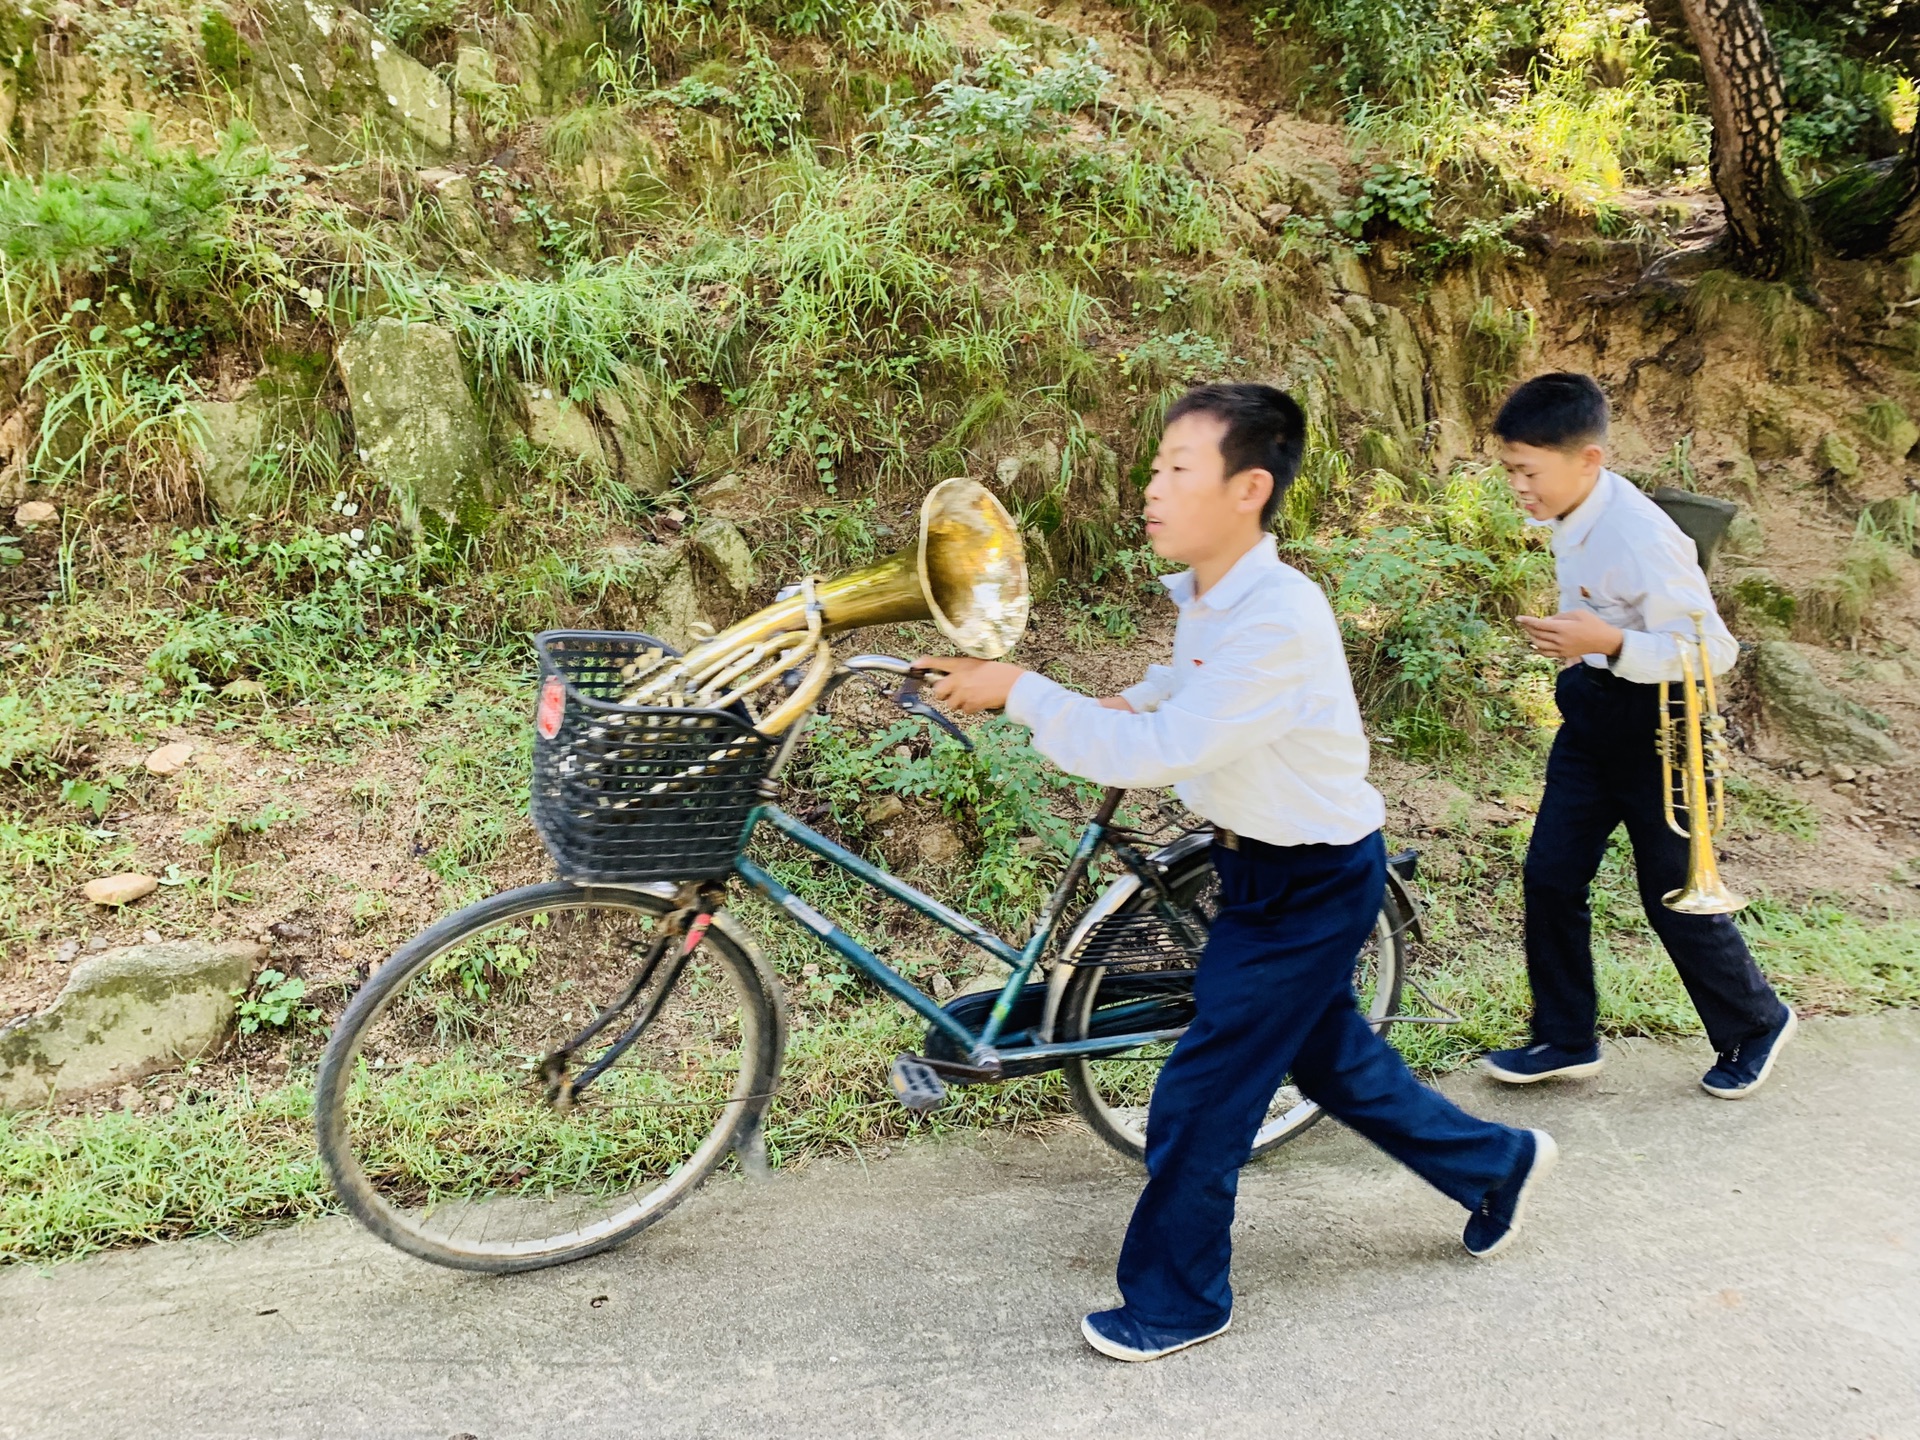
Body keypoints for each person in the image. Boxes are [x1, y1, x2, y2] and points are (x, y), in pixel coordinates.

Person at [919, 382, 1554, 1364]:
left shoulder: (1278, 619)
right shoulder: (1219, 600)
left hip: (1315, 883)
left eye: (1178, 469)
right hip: (1256, 872)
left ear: (1248, 487)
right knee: (1335, 1062)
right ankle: (1495, 1165)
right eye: (1156, 466)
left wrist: (1024, 692)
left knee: (1202, 1097)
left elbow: (1171, 745)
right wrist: (1098, 701)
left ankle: (1179, 1301)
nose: (1152, 488)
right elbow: (1176, 697)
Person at [1482, 372, 1795, 1099]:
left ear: (1587, 460)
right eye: (1510, 471)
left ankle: (1757, 1022)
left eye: (1528, 472)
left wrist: (1612, 643)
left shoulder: (1643, 534)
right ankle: (1565, 1036)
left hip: (1661, 726)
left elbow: (1712, 652)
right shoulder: (1572, 512)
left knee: (1673, 893)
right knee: (1551, 876)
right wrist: (1582, 642)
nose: (1519, 488)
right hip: (1593, 714)